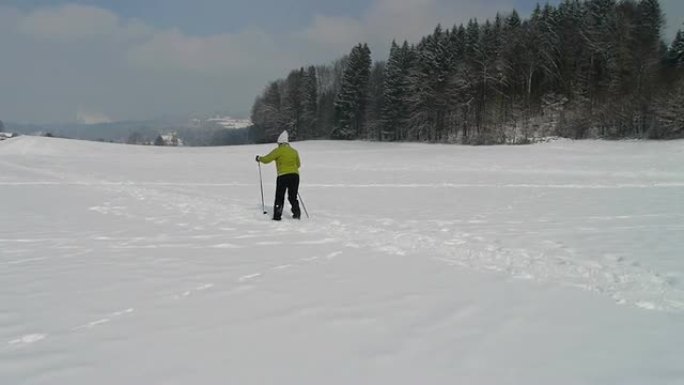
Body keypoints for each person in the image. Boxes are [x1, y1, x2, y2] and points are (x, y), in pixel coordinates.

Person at [256, 130, 301, 221]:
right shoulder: (294, 151)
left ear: (280, 142)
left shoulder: (278, 151)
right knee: (293, 196)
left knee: (280, 196)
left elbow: (267, 159)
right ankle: (297, 213)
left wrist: (259, 158)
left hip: (283, 176)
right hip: (295, 176)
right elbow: (298, 164)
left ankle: (277, 216)